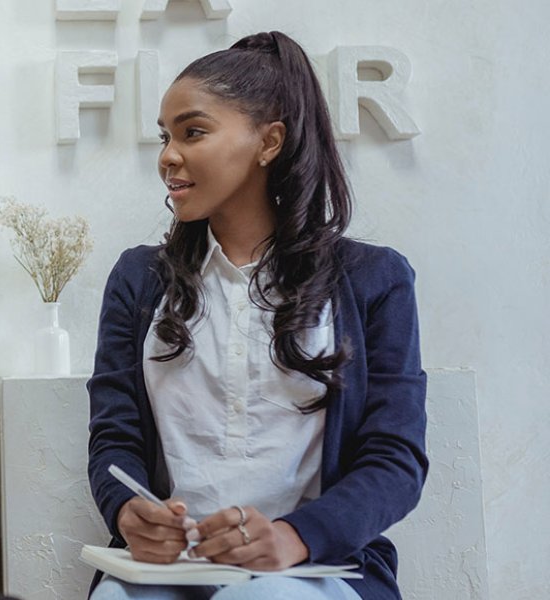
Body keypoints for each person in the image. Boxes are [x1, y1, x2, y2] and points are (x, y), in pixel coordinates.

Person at [86, 31, 427, 600]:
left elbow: (395, 459)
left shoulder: (375, 279)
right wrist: (130, 514)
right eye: (164, 136)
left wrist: (294, 536)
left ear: (268, 142)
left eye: (193, 132)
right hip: (170, 572)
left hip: (313, 566)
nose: (169, 155)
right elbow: (113, 440)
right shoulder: (139, 280)